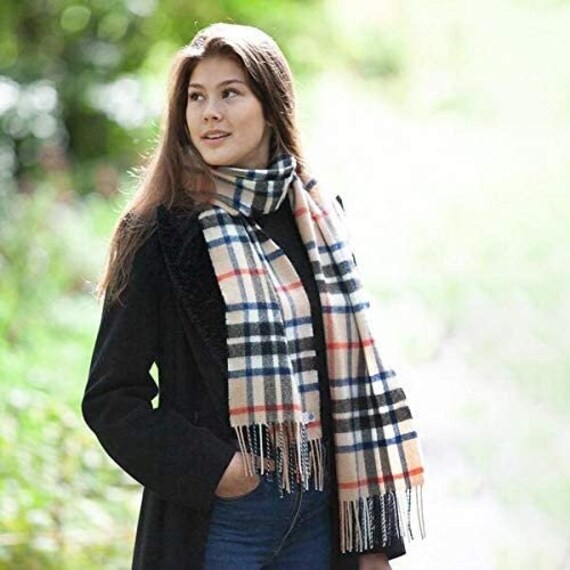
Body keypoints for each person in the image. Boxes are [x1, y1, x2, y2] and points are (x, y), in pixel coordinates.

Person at [81, 22, 425, 570]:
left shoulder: (319, 216)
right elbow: (111, 398)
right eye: (196, 97)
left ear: (271, 105)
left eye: (230, 93)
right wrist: (218, 471)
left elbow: (352, 381)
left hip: (322, 516)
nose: (209, 113)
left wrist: (373, 544)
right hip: (223, 520)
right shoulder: (160, 232)